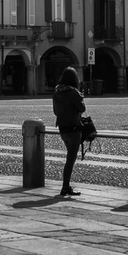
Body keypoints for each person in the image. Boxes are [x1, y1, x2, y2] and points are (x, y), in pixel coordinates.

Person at [52, 66, 86, 197]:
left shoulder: (57, 93)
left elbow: (55, 112)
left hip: (62, 129)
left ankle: (66, 186)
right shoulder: (73, 93)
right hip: (73, 128)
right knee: (70, 160)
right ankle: (65, 187)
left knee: (69, 157)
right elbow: (82, 108)